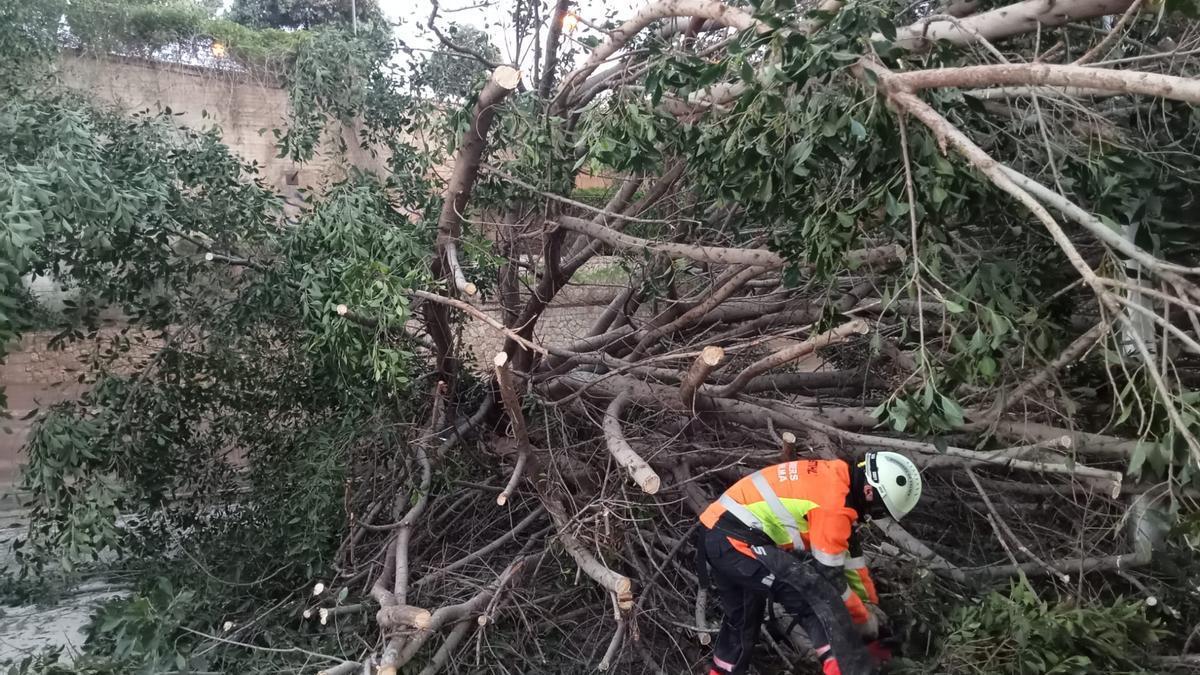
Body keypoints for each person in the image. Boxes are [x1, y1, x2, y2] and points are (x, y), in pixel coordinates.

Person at [696, 452, 923, 675]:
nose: (873, 516)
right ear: (869, 492)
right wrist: (863, 620)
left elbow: (852, 562)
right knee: (812, 596)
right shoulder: (834, 505)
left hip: (718, 532)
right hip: (734, 539)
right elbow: (830, 576)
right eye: (880, 511)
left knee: (742, 621)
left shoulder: (836, 479)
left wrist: (869, 604)